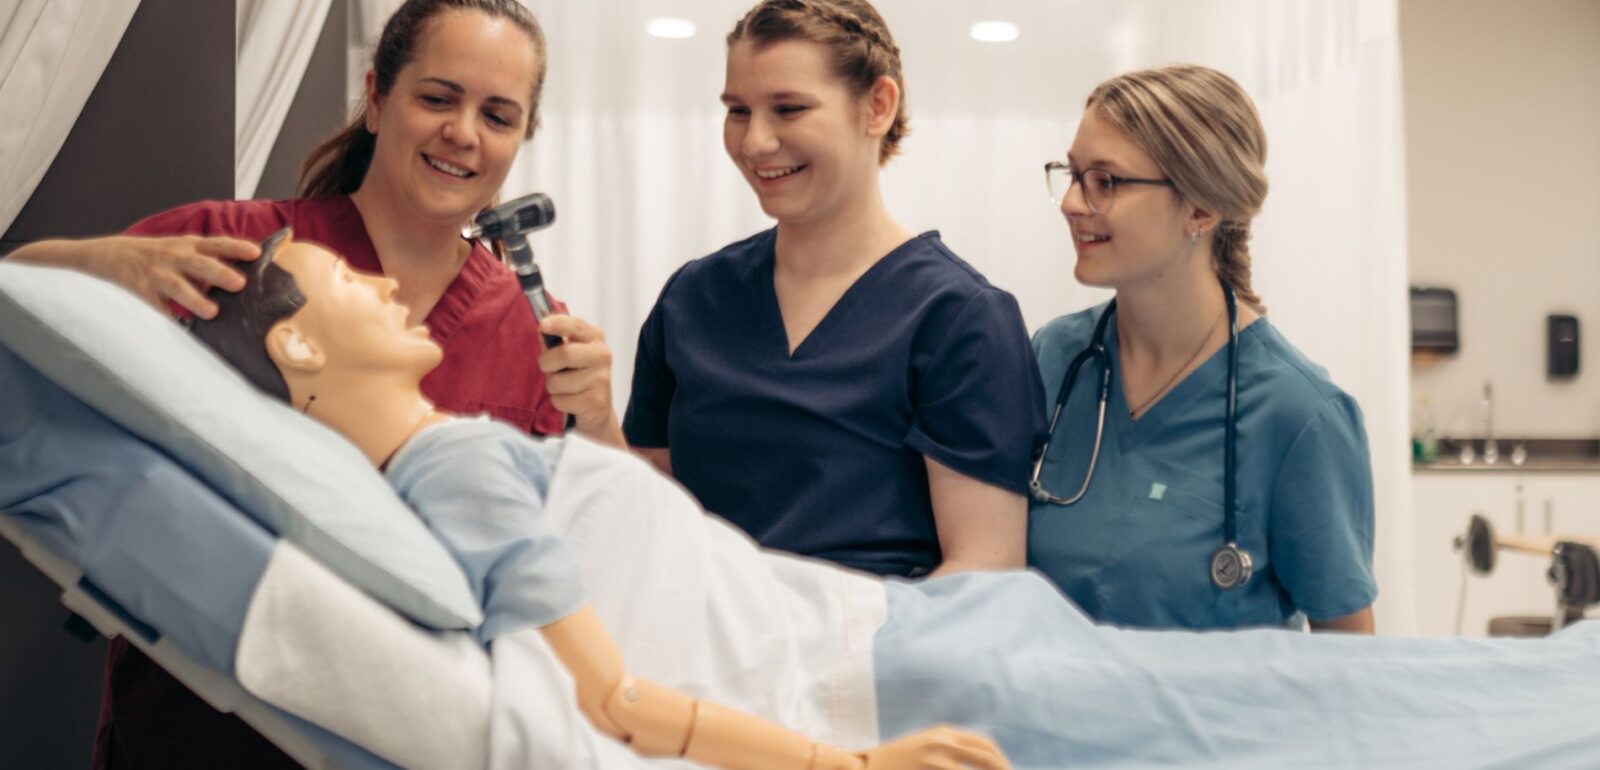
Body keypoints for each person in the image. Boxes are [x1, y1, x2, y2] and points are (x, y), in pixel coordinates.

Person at [193, 229, 1600, 770]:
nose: (374, 278)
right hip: (889, 677)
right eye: (337, 281)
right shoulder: (446, 467)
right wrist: (852, 768)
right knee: (1290, 718)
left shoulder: (457, 455)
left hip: (908, 643)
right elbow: (608, 695)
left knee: (1297, 709)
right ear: (301, 354)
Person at [6, 1, 618, 766]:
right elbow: (19, 308)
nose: (463, 132)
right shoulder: (232, 248)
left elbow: (592, 544)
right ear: (376, 98)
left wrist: (600, 422)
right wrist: (103, 262)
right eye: (437, 98)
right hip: (193, 726)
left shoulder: (535, 329)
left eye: (498, 115)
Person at [619, 0, 1046, 578]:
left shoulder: (958, 316)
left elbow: (983, 568)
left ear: (877, 106)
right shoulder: (693, 299)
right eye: (738, 110)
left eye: (788, 109)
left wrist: (830, 632)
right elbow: (646, 516)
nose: (754, 142)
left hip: (885, 630)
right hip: (703, 625)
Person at [1027, 65, 1377, 632]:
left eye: (1104, 181)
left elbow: (1349, 652)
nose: (1071, 202)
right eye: (1072, 174)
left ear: (1201, 209)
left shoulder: (1299, 414)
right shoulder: (1055, 358)